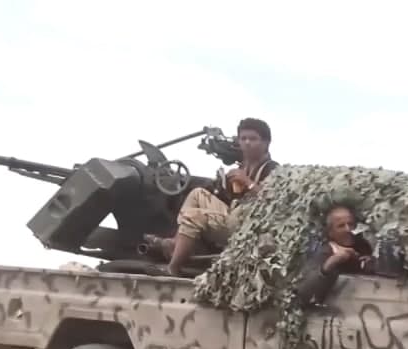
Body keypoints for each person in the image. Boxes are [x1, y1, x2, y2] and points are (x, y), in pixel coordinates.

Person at [150, 118, 280, 276]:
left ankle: (173, 268)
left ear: (266, 143)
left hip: (248, 226)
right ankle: (176, 242)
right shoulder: (244, 166)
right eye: (243, 138)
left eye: (253, 139)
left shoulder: (272, 169)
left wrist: (248, 183)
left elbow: (274, 201)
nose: (247, 143)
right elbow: (232, 197)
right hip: (234, 214)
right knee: (197, 193)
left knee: (194, 216)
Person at [295, 204, 378, 306]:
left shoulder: (364, 246)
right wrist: (329, 265)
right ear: (330, 232)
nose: (348, 229)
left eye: (350, 224)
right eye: (341, 226)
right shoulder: (323, 252)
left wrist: (372, 265)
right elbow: (303, 293)